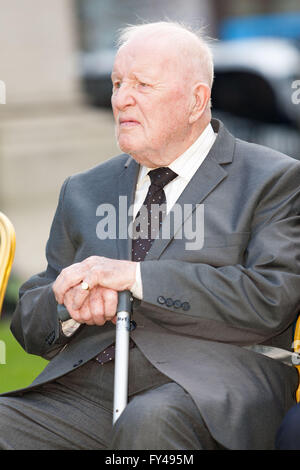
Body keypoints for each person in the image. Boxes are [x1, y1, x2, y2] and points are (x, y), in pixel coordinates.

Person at [1, 21, 300, 450]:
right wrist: (67, 304)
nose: (121, 98)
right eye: (118, 82)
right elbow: (30, 321)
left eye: (142, 84)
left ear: (196, 100)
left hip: (208, 387)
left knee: (149, 423)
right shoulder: (84, 190)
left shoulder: (273, 179)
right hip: (83, 391)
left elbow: (270, 298)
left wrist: (135, 279)